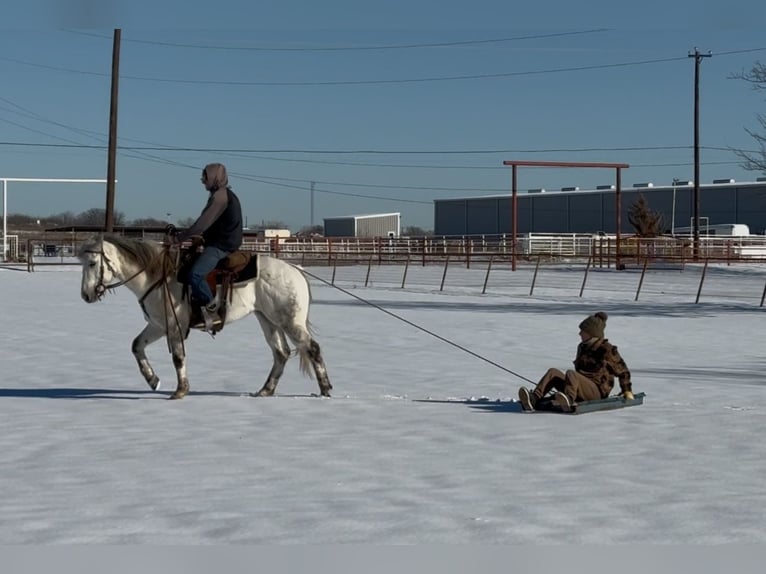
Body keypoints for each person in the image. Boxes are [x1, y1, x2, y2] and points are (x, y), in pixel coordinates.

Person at [173, 163, 243, 331]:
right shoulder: (220, 195)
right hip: (218, 241)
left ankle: (212, 311)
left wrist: (179, 238)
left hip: (222, 245)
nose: (202, 180)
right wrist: (200, 237)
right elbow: (209, 225)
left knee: (195, 275)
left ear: (215, 177)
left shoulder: (220, 197)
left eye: (205, 177)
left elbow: (201, 224)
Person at [518, 311, 634, 412]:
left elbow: (623, 371)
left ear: (591, 333)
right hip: (579, 387)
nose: (579, 334)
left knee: (571, 374)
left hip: (597, 392)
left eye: (583, 331)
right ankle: (534, 399)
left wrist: (627, 390)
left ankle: (568, 400)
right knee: (553, 372)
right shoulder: (582, 347)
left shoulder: (606, 349)